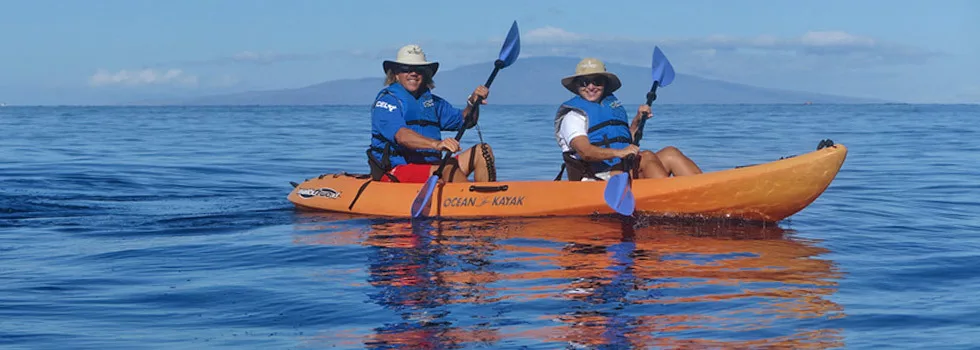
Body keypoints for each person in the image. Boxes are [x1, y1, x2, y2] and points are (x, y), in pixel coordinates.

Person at [554, 58, 702, 181]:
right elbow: (585, 152)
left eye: (597, 81)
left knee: (670, 153)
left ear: (605, 84)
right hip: (596, 177)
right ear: (577, 85)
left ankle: (703, 190)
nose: (591, 87)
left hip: (622, 169)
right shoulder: (573, 117)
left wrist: (637, 121)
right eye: (584, 82)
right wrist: (619, 153)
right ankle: (668, 198)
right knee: (646, 156)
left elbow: (625, 142)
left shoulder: (610, 107)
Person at [367, 44, 496, 183]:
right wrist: (437, 144)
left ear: (425, 74)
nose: (413, 73)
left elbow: (466, 121)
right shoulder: (386, 102)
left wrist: (472, 104)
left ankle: (487, 194)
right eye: (406, 68)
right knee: (447, 167)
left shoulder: (433, 103)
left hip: (432, 167)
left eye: (419, 69)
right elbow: (402, 136)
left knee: (483, 151)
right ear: (396, 74)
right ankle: (469, 196)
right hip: (397, 170)